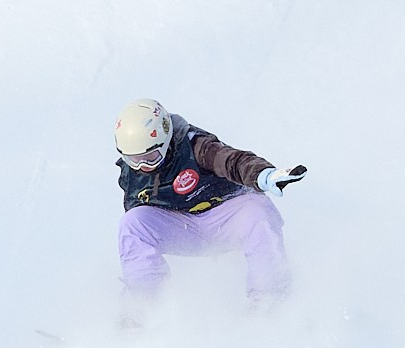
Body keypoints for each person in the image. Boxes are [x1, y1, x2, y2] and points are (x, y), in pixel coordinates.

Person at [113, 98, 305, 312]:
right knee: (132, 223)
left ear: (165, 139)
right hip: (183, 226)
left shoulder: (194, 146)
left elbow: (232, 161)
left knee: (257, 209)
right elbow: (139, 236)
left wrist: (262, 175)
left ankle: (270, 299)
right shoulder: (132, 175)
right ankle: (144, 306)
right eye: (133, 159)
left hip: (225, 216)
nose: (143, 166)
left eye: (150, 157)